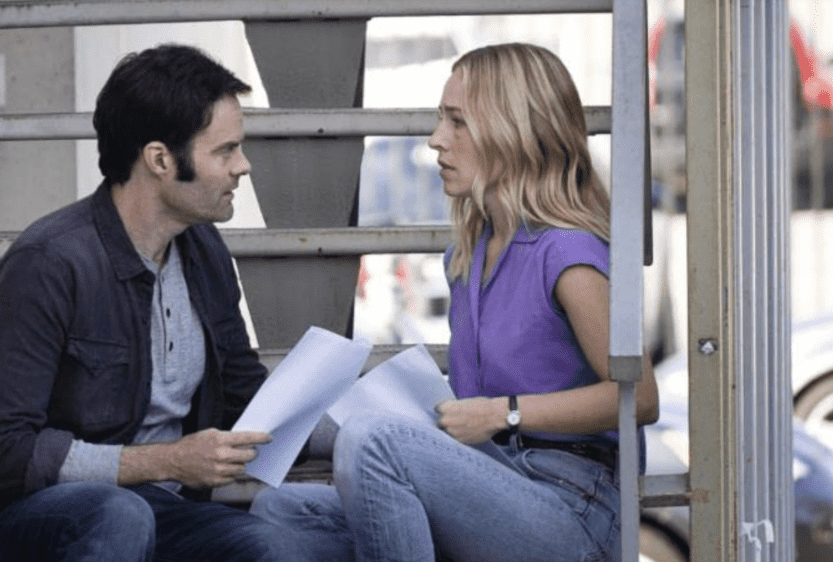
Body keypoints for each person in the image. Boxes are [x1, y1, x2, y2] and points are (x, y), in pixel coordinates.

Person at [250, 43, 660, 562]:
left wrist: (503, 414)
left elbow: (641, 397)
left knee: (376, 441)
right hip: (492, 479)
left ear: (513, 131)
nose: (437, 140)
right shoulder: (469, 254)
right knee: (279, 513)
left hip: (573, 508)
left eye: (458, 122)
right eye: (441, 120)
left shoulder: (569, 252)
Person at [0, 44, 302, 562]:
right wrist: (167, 461)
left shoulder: (202, 249)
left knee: (269, 544)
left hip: (159, 505)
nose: (242, 167)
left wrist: (360, 423)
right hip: (29, 517)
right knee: (116, 516)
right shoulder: (50, 263)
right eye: (225, 151)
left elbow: (246, 397)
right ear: (160, 159)